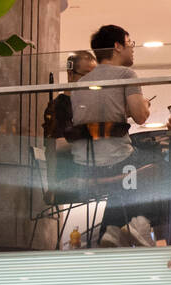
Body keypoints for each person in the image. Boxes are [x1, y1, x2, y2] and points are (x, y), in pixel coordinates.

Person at [69, 25, 158, 247]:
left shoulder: (80, 83)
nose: (132, 49)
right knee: (161, 165)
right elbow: (140, 117)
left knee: (126, 179)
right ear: (118, 46)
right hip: (117, 163)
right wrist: (144, 105)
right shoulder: (126, 75)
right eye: (130, 43)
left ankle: (111, 230)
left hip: (84, 165)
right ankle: (140, 222)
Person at [43, 50, 98, 142]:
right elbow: (57, 145)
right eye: (87, 76)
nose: (92, 81)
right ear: (70, 75)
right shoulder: (58, 107)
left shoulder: (92, 105)